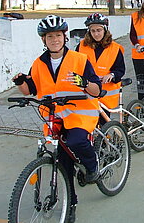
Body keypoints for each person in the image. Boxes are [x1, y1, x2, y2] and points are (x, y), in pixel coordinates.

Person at [11, 15, 102, 222]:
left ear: (64, 37)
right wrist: (19, 82)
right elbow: (30, 90)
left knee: (76, 141)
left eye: (58, 35)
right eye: (50, 36)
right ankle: (71, 204)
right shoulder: (39, 63)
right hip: (54, 117)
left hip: (80, 114)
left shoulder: (80, 59)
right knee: (63, 161)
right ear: (44, 40)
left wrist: (83, 82)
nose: (54, 40)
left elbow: (97, 91)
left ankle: (92, 164)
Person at [76, 13, 125, 125]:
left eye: (99, 30)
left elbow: (120, 69)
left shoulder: (115, 48)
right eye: (93, 31)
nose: (96, 34)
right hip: (87, 92)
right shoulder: (81, 46)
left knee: (103, 125)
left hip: (105, 96)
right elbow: (75, 65)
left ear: (105, 30)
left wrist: (111, 75)